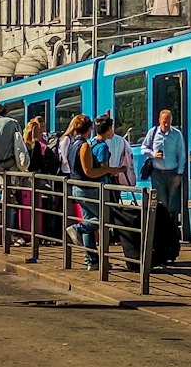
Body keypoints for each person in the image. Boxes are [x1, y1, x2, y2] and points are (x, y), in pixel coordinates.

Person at [66, 114, 123, 270]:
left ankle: (92, 260)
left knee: (90, 219)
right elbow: (89, 171)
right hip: (88, 189)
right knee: (105, 218)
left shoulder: (73, 144)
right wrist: (108, 170)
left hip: (77, 188)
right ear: (89, 129)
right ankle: (76, 229)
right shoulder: (83, 145)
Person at [140, 108, 185, 225]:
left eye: (168, 121)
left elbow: (181, 154)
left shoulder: (177, 134)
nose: (166, 124)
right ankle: (163, 230)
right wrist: (153, 154)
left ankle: (172, 230)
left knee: (173, 204)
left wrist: (179, 174)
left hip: (172, 173)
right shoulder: (153, 133)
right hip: (157, 174)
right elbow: (143, 148)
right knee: (162, 203)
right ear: (159, 120)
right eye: (164, 121)